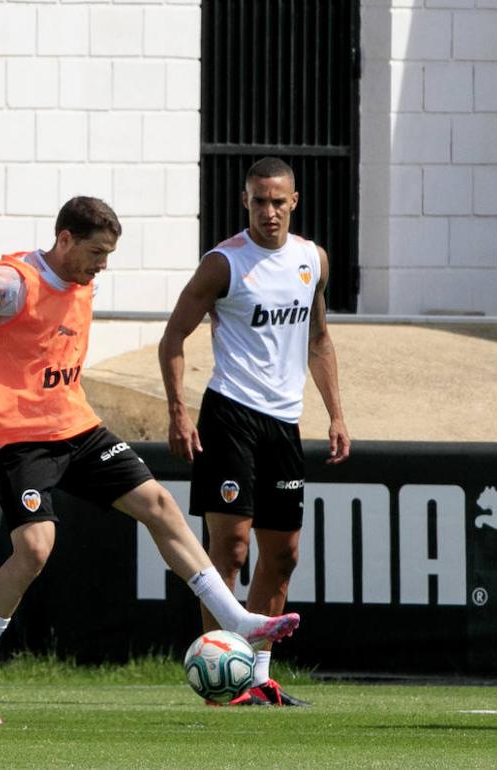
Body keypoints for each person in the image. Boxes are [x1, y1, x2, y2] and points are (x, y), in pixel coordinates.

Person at [0, 196, 301, 724]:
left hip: (78, 426)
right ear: (64, 239)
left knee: (157, 502)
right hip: (21, 438)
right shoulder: (13, 280)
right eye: (96, 252)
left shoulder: (83, 279)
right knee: (36, 548)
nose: (102, 264)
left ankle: (235, 619)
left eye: (108, 254)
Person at [157, 157, 349, 707]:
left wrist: (336, 413)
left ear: (295, 201)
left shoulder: (313, 260)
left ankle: (259, 676)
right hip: (230, 416)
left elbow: (318, 340)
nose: (269, 211)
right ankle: (220, 673)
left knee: (282, 555)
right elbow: (174, 337)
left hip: (284, 426)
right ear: (246, 202)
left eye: (278, 201)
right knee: (231, 548)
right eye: (259, 201)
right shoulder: (224, 263)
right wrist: (177, 409)